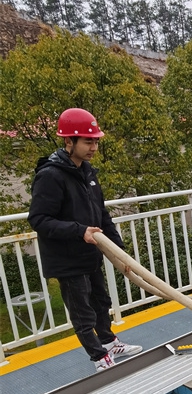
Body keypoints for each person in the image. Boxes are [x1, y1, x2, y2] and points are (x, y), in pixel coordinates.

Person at [28, 108, 142, 372]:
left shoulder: (87, 172)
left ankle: (108, 342)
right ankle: (99, 358)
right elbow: (39, 220)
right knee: (82, 313)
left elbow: (101, 214)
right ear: (69, 141)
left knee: (101, 303)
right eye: (88, 141)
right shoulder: (51, 175)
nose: (94, 147)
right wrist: (79, 231)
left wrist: (121, 255)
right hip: (67, 260)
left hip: (89, 255)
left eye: (96, 141)